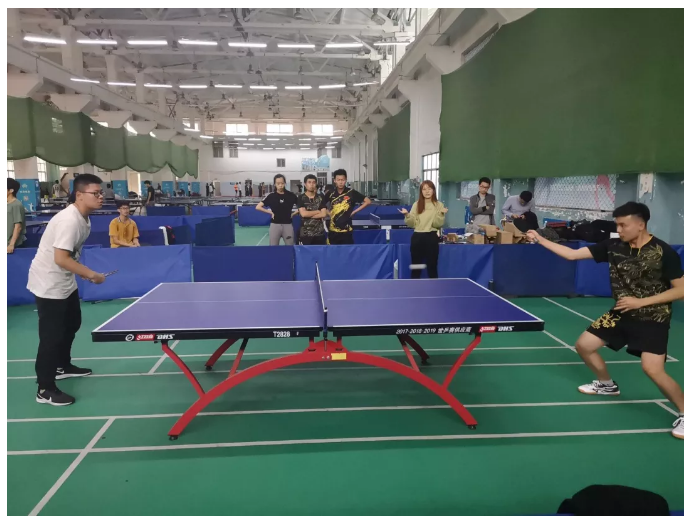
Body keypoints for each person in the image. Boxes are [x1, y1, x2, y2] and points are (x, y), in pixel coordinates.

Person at [526, 202, 684, 440]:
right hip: (621, 313)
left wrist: (641, 302)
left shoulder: (664, 252)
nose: (618, 230)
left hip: (653, 317)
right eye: (617, 225)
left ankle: (685, 412)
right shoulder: (613, 246)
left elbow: (682, 290)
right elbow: (571, 255)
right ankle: (607, 384)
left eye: (623, 225)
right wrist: (540, 239)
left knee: (652, 369)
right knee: (584, 345)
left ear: (641, 225)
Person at [27, 173, 108, 406]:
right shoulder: (69, 221)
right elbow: (61, 258)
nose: (101, 197)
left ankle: (62, 366)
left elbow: (68, 257)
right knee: (51, 336)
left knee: (72, 323)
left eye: (101, 192)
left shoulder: (84, 217)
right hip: (49, 283)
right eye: (95, 193)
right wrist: (90, 274)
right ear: (79, 195)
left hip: (64, 279)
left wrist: (79, 271)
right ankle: (45, 388)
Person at [399, 180, 447, 278]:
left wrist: (441, 214)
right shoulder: (416, 204)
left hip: (431, 237)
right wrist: (407, 215)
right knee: (416, 268)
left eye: (429, 189)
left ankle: (434, 287)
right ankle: (414, 287)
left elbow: (437, 224)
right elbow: (412, 224)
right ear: (421, 191)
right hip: (417, 237)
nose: (427, 191)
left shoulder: (439, 205)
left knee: (432, 267)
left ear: (433, 190)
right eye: (424, 189)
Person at [319, 169, 371, 245]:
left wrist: (355, 211)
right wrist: (329, 213)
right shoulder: (330, 193)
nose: (340, 182)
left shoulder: (351, 192)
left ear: (346, 180)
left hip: (347, 231)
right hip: (333, 231)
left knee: (347, 251)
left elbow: (368, 201)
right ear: (335, 181)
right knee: (333, 251)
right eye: (338, 180)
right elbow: (321, 205)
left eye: (342, 180)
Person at [255, 174, 298, 245]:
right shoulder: (271, 196)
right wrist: (270, 212)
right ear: (275, 184)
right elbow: (258, 207)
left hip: (288, 225)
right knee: (273, 247)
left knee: (290, 246)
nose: (280, 185)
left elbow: (302, 207)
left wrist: (293, 214)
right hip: (275, 225)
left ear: (285, 183)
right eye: (278, 183)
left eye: (282, 183)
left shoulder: (291, 195)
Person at [297, 174, 326, 245]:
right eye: (309, 182)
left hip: (319, 234)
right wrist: (317, 211)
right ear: (305, 184)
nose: (311, 184)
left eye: (313, 182)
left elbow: (323, 214)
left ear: (316, 184)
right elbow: (303, 214)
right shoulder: (301, 198)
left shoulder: (320, 197)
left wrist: (308, 214)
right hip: (305, 234)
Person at [7, 178, 26, 253]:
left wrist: (11, 244)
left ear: (11, 190)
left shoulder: (16, 205)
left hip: (11, 246)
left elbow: (18, 226)